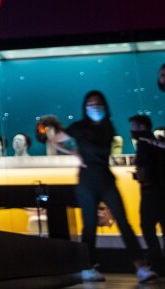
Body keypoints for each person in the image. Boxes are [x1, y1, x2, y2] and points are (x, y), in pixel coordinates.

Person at [48, 92, 157, 283]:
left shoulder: (108, 127)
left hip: (106, 178)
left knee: (123, 221)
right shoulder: (79, 126)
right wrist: (74, 152)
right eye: (90, 104)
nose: (94, 107)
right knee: (89, 225)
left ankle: (140, 267)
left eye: (98, 104)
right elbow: (54, 140)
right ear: (85, 106)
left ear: (104, 106)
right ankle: (88, 267)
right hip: (87, 180)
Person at [132, 114, 165, 275]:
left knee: (147, 227)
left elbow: (141, 168)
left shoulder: (143, 142)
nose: (132, 130)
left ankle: (156, 263)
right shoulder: (158, 142)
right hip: (162, 190)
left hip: (150, 191)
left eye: (133, 126)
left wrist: (139, 177)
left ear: (142, 127)